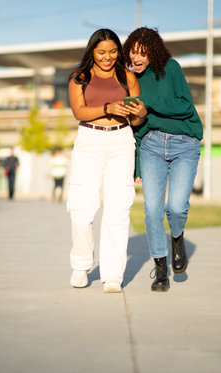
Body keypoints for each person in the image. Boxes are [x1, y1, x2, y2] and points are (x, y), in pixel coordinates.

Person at [123, 27, 203, 292]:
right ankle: (160, 270)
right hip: (152, 146)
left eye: (143, 53)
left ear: (153, 52)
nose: (137, 58)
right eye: (133, 52)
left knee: (177, 208)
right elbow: (135, 128)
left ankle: (177, 237)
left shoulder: (172, 68)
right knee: (151, 210)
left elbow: (184, 106)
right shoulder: (130, 79)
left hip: (184, 144)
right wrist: (136, 164)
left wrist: (150, 103)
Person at [67, 28, 146, 293]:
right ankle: (81, 264)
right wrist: (106, 108)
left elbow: (135, 120)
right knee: (80, 207)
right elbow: (78, 111)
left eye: (113, 51)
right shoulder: (80, 77)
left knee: (118, 208)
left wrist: (140, 113)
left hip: (121, 142)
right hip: (89, 141)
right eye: (101, 52)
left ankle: (113, 275)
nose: (107, 57)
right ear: (92, 51)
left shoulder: (127, 76)